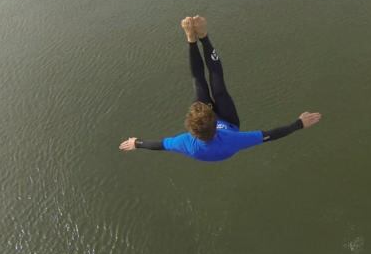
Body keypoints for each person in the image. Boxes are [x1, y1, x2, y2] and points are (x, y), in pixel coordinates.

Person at [119, 16, 322, 161]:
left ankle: (192, 39)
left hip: (218, 133)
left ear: (192, 131)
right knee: (216, 86)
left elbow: (159, 145)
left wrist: (137, 143)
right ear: (214, 122)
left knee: (200, 82)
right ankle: (202, 37)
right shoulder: (233, 139)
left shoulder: (185, 143)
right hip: (229, 123)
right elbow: (270, 135)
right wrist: (299, 124)